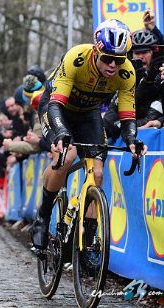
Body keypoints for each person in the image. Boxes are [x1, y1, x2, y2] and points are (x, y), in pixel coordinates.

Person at [31, 19, 148, 250]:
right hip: (56, 107)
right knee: (67, 154)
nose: (113, 65)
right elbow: (56, 104)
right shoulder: (77, 58)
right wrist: (61, 133)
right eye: (107, 58)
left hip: (87, 113)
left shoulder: (127, 74)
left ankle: (87, 237)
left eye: (119, 59)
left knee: (97, 172)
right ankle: (42, 218)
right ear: (96, 51)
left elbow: (127, 116)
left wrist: (132, 140)